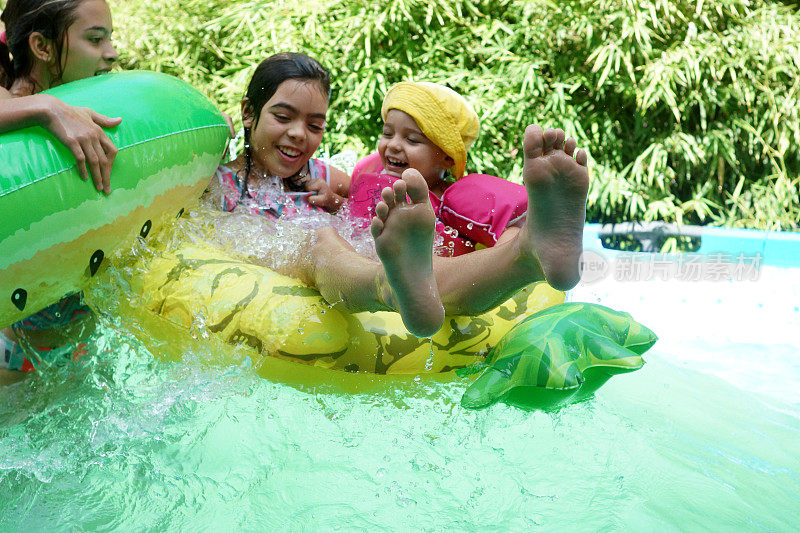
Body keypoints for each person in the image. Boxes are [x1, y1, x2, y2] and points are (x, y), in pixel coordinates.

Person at [208, 53, 589, 339]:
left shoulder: (321, 175)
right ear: (248, 113)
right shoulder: (214, 179)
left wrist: (337, 201)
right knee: (318, 238)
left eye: (314, 124)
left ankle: (528, 252)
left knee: (413, 264)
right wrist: (209, 142)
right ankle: (394, 282)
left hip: (357, 269)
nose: (298, 134)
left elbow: (355, 199)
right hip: (300, 259)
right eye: (282, 117)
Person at [0, 0, 120, 379]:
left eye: (110, 38)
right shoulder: (13, 103)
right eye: (96, 39)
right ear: (42, 47)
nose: (112, 53)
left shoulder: (91, 106)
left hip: (88, 351)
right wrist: (47, 108)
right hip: (18, 359)